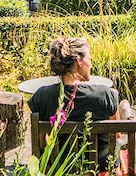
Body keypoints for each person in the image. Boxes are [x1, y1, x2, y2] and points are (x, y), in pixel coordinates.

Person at [27, 36, 119, 169]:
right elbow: (116, 135)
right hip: (100, 170)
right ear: (78, 61)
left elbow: (40, 144)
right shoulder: (104, 95)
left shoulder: (42, 97)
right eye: (89, 60)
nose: (91, 65)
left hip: (57, 171)